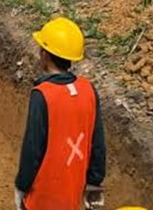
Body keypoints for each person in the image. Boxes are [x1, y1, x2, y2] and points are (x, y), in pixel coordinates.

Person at [14, 16, 106, 210]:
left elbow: (33, 148)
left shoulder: (42, 95)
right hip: (73, 193)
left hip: (43, 197)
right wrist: (94, 181)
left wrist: (22, 185)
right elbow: (97, 142)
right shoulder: (88, 90)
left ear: (45, 54)